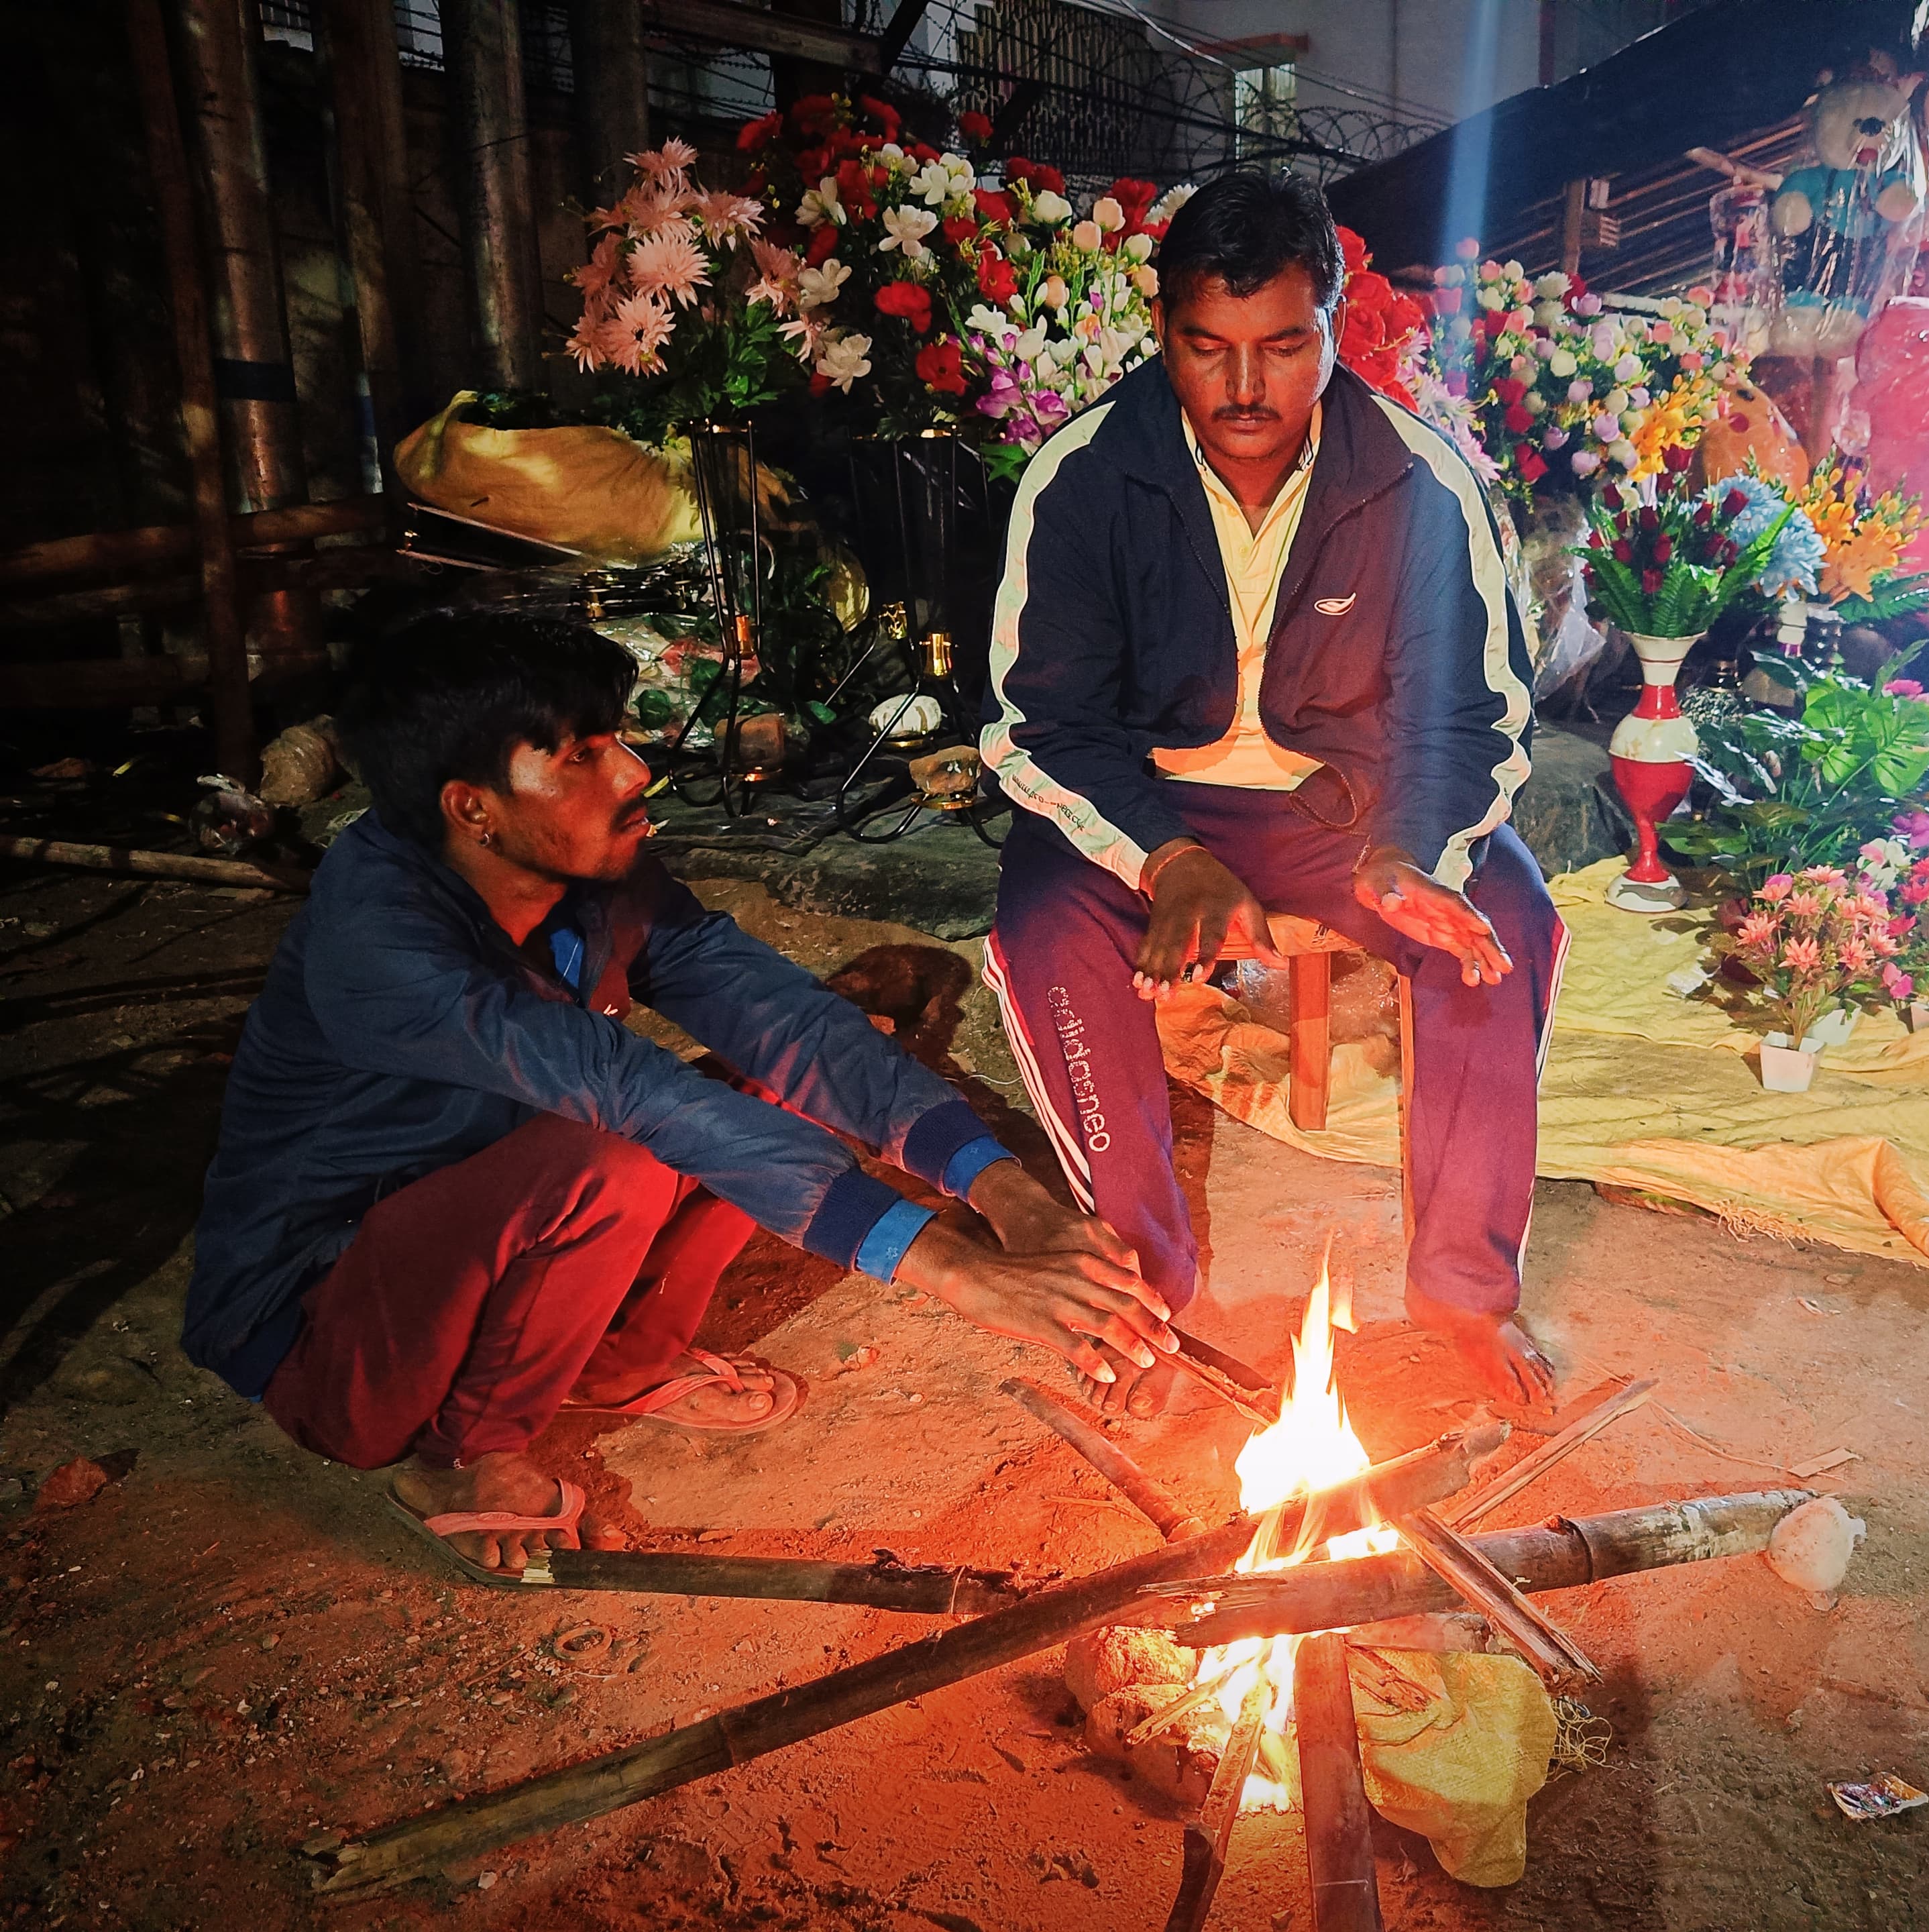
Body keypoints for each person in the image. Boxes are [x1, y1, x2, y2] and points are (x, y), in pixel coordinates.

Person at [181, 612, 1175, 1578]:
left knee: (790, 1077)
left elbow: (784, 1023)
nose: (633, 774)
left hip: (493, 1223)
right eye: (578, 758)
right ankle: (463, 1453)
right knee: (611, 1153)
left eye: (614, 741)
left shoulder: (589, 874)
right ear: (470, 806)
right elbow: (633, 1093)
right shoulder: (383, 947)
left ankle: (618, 1358)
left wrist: (1011, 1199)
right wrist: (956, 1270)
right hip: (331, 1326)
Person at [978, 171, 1565, 1413]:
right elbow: (1043, 726)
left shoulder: (1418, 483)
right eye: (1209, 350)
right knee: (1042, 927)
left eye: (1284, 349)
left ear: (1335, 332)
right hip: (1147, 812)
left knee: (1499, 926)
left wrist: (1413, 854)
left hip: (1342, 819)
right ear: (1164, 335)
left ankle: (1464, 1293)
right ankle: (1139, 1288)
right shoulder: (1083, 476)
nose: (1246, 391)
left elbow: (1471, 715)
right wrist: (1162, 859)